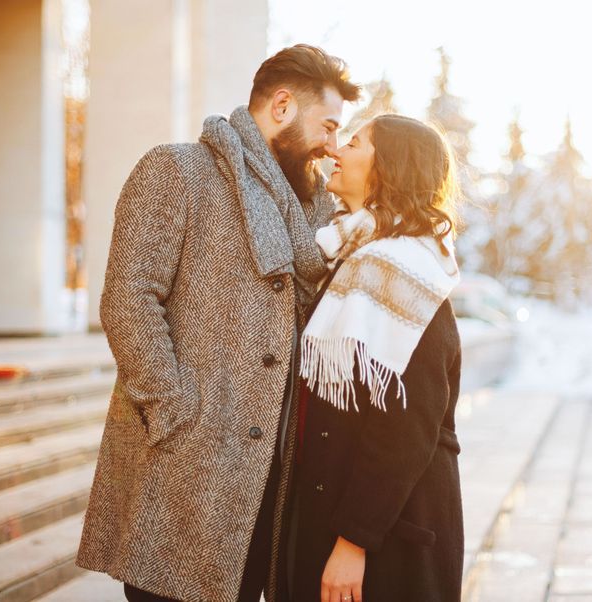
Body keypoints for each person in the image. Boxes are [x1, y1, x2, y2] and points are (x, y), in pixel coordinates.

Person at [74, 45, 360, 602]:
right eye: (327, 126)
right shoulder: (179, 170)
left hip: (263, 488)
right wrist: (176, 412)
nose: (331, 146)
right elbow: (128, 300)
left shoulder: (312, 210)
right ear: (282, 105)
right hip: (183, 470)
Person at [281, 114, 465, 601]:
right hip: (340, 516)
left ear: (389, 167)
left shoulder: (403, 271)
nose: (337, 150)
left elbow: (407, 427)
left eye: (355, 141)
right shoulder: (357, 256)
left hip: (388, 541)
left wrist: (353, 541)